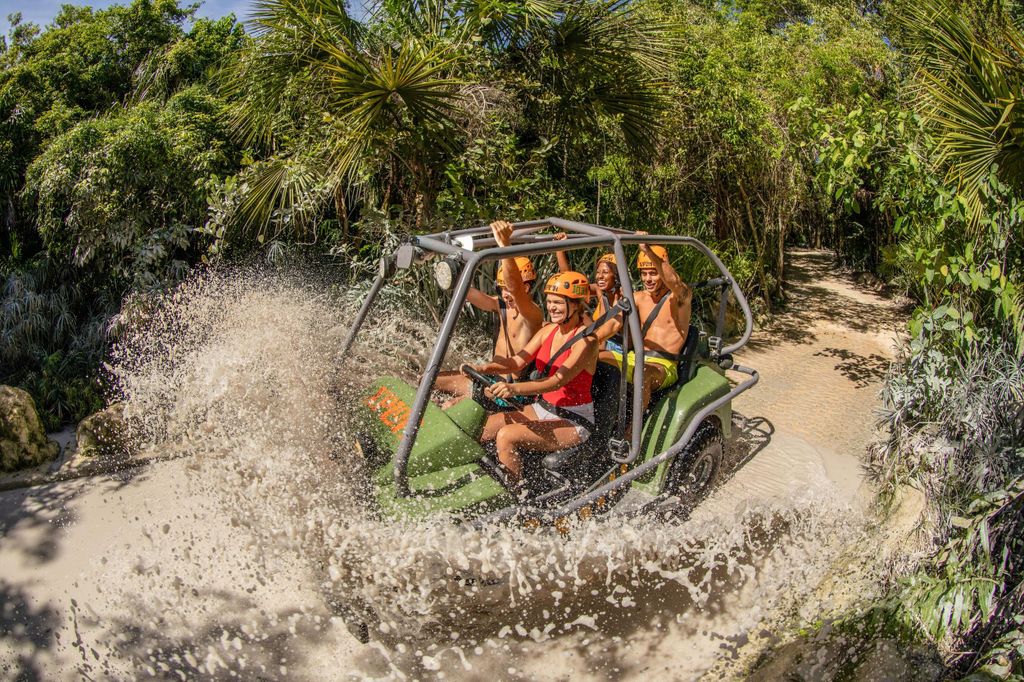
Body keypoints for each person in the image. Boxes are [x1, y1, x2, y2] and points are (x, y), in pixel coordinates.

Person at [466, 272, 599, 485]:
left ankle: (514, 495)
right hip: (543, 408)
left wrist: (514, 389)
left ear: (575, 305)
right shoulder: (548, 331)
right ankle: (477, 481)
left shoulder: (586, 341)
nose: (552, 307)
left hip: (573, 419)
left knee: (506, 435)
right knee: (482, 427)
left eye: (558, 302)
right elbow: (517, 362)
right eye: (549, 302)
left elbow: (557, 380)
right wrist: (483, 368)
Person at [432, 220, 544, 405]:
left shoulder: (532, 314)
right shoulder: (501, 305)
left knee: (450, 405)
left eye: (508, 289)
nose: (505, 294)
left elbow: (515, 288)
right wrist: (452, 270)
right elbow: (467, 292)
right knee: (428, 382)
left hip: (511, 391)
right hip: (491, 378)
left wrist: (505, 246)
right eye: (501, 289)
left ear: (527, 286)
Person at [601, 242, 692, 415]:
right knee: (594, 357)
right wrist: (588, 340)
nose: (648, 279)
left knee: (642, 373)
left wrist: (648, 251)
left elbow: (675, 282)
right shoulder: (638, 298)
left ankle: (631, 435)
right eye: (644, 273)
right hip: (635, 358)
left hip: (663, 365)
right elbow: (614, 323)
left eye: (653, 273)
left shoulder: (680, 298)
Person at [553, 233, 623, 359]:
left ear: (617, 276)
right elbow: (569, 284)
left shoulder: (625, 296)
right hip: (599, 342)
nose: (599, 276)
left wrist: (579, 343)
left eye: (605, 272)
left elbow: (613, 327)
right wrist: (560, 249)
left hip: (619, 349)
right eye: (598, 272)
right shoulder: (600, 291)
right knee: (577, 311)